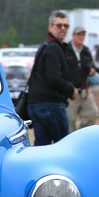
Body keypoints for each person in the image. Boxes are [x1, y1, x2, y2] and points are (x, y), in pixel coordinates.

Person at [27, 11, 77, 145]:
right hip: (50, 105)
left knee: (42, 146)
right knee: (63, 146)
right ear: (50, 27)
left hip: (37, 104)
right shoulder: (53, 48)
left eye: (66, 26)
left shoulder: (46, 45)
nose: (63, 29)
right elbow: (53, 78)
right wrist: (71, 90)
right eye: (59, 25)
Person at [64, 26, 99, 131]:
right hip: (69, 90)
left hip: (84, 89)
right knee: (69, 119)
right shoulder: (65, 49)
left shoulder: (86, 50)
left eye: (83, 35)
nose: (81, 37)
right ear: (73, 35)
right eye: (79, 34)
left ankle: (80, 135)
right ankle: (70, 141)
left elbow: (90, 64)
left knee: (93, 113)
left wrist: (92, 70)